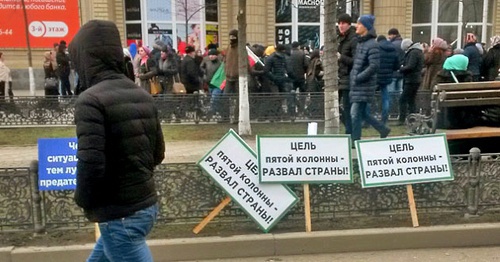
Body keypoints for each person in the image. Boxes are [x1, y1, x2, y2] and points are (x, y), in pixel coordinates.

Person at [69, 19, 165, 262]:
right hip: (145, 205)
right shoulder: (141, 94)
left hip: (119, 214)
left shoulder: (90, 100)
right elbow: (157, 154)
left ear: (85, 59)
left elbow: (90, 163)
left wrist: (83, 199)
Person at [350, 15, 391, 146]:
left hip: (363, 84)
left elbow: (374, 66)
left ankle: (355, 140)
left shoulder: (372, 45)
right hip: (358, 84)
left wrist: (358, 77)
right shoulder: (361, 43)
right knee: (362, 113)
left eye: (359, 24)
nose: (357, 26)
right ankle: (383, 129)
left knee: (355, 113)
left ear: (366, 27)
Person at [337, 13, 357, 134]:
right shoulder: (339, 38)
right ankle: (349, 129)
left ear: (349, 24)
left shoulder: (353, 39)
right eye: (339, 23)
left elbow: (356, 60)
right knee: (334, 106)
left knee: (347, 107)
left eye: (343, 23)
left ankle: (350, 132)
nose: (341, 26)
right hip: (339, 77)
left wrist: (341, 57)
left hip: (348, 78)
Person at [398, 39, 424, 125]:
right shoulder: (418, 51)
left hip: (411, 79)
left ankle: (402, 119)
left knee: (403, 99)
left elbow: (410, 66)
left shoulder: (413, 52)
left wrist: (401, 69)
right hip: (415, 79)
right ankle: (413, 119)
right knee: (411, 100)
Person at [376, 35, 400, 124]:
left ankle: (370, 117)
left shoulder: (376, 48)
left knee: (371, 97)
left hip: (376, 76)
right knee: (386, 97)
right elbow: (396, 65)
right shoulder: (392, 48)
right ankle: (384, 118)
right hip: (387, 77)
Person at [288, 41, 309, 115]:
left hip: (291, 77)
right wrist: (304, 72)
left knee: (291, 94)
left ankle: (292, 111)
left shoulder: (289, 54)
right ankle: (301, 109)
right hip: (300, 77)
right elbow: (306, 65)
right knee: (303, 93)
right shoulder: (302, 54)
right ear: (298, 46)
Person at [387, 28, 404, 94]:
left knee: (391, 93)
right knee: (400, 92)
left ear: (393, 35)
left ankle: (392, 105)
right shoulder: (403, 43)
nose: (388, 37)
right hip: (402, 72)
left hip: (392, 72)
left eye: (389, 35)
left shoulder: (391, 45)